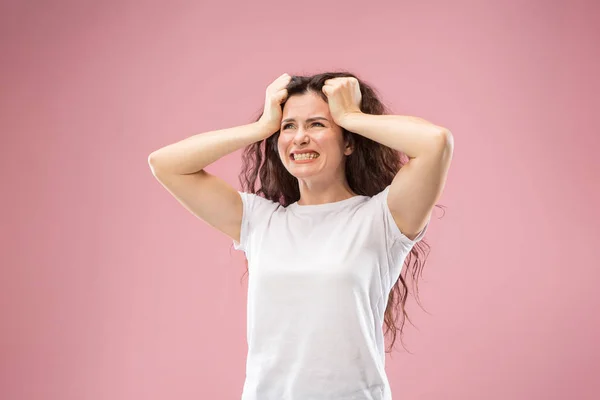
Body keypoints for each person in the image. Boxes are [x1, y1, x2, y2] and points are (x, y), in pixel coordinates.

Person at [148, 71, 454, 400]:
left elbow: (435, 143)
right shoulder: (259, 221)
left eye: (317, 124)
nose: (300, 137)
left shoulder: (382, 218)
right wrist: (260, 128)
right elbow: (165, 163)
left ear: (348, 141)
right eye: (289, 126)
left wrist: (351, 115)